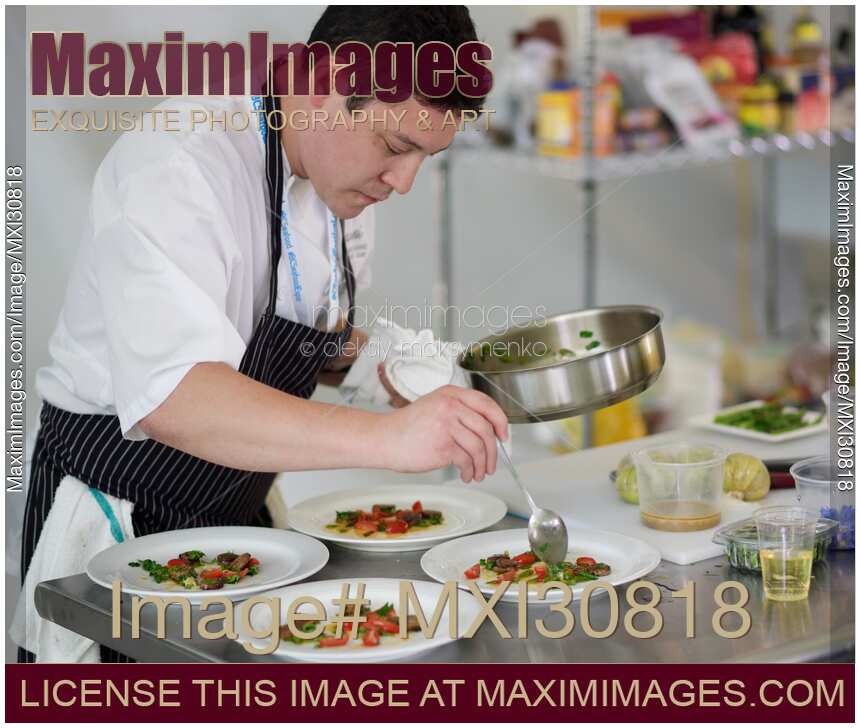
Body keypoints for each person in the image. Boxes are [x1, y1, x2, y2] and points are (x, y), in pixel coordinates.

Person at [18, 6, 507, 662]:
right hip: (118, 521)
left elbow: (304, 332)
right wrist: (392, 439)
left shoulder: (343, 190)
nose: (404, 182)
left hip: (239, 525)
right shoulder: (179, 161)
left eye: (427, 156)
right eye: (395, 146)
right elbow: (177, 397)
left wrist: (399, 372)